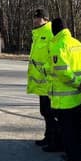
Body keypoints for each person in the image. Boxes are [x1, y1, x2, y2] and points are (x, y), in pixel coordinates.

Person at [48, 18, 81, 161]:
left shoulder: (58, 46)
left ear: (55, 30)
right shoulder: (78, 44)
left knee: (67, 131)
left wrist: (76, 82)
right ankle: (78, 154)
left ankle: (72, 159)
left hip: (63, 98)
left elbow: (62, 72)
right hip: (77, 96)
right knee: (76, 127)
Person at [26, 8, 54, 149]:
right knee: (45, 111)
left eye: (39, 18)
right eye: (35, 18)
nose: (36, 20)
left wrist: (46, 69)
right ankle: (48, 137)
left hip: (49, 81)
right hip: (41, 82)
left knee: (50, 112)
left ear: (46, 19)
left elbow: (54, 55)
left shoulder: (49, 32)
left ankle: (53, 140)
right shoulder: (37, 34)